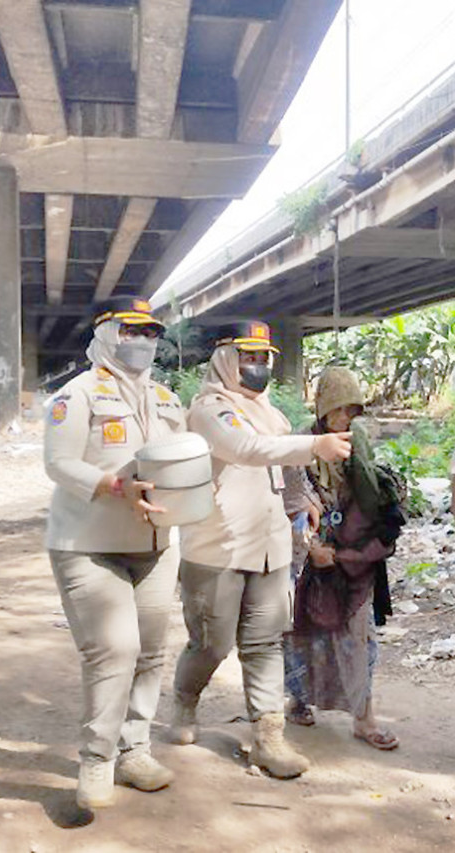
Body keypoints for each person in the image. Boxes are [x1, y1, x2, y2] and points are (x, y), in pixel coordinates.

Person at [169, 321, 352, 778]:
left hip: (270, 549)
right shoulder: (211, 409)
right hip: (218, 549)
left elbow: (284, 471)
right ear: (226, 359)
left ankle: (269, 740)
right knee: (211, 644)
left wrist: (303, 502)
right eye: (248, 357)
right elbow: (248, 448)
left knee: (265, 643)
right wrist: (316, 445)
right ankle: (185, 699)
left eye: (264, 357)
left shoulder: (273, 414)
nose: (258, 367)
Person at [44, 296, 186, 810]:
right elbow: (58, 463)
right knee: (114, 650)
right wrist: (109, 483)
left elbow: (183, 462)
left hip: (154, 545)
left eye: (150, 333)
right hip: (88, 545)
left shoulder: (169, 399)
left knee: (150, 652)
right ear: (105, 332)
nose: (142, 342)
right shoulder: (76, 395)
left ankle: (135, 751)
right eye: (131, 331)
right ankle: (97, 759)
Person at [283, 366, 401, 750]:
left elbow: (367, 494)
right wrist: (311, 546)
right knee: (302, 629)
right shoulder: (300, 442)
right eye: (338, 410)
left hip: (350, 556)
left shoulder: (358, 441)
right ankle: (298, 700)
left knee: (359, 633)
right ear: (322, 408)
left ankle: (364, 718)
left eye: (352, 411)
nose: (345, 419)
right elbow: (290, 498)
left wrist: (354, 548)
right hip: (307, 553)